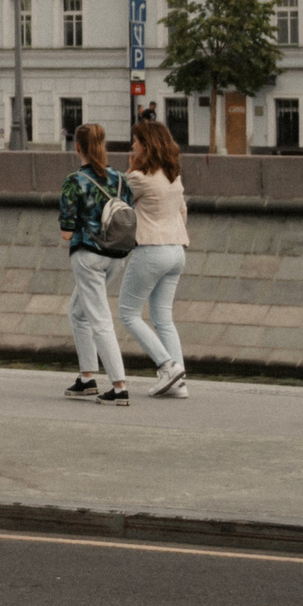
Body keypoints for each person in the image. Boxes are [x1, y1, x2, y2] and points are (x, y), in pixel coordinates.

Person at [114, 115, 191, 401]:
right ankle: (179, 382)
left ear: (147, 145)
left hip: (152, 250)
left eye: (136, 141)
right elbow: (182, 212)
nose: (132, 145)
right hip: (177, 250)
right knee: (163, 318)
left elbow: (118, 206)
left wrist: (128, 172)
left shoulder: (139, 178)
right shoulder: (173, 176)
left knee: (128, 313)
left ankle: (167, 366)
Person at [56, 122, 131, 401]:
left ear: (78, 147)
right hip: (116, 256)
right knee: (77, 311)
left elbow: (66, 233)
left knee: (99, 319)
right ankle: (87, 377)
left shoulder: (74, 181)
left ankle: (120, 386)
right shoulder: (121, 179)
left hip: (88, 257)